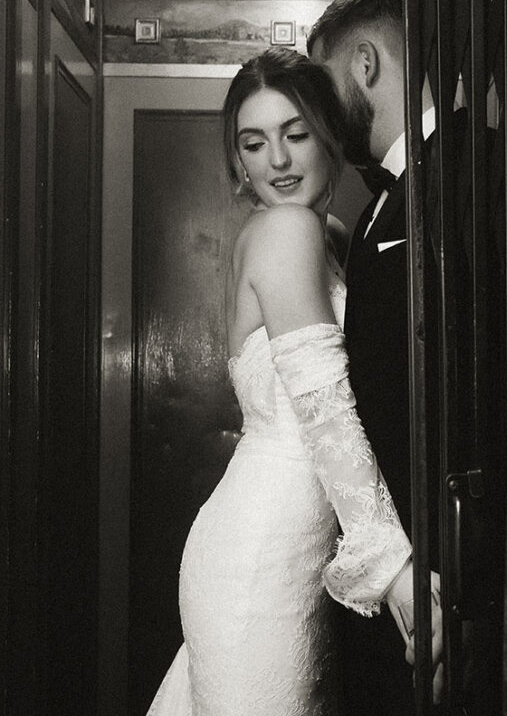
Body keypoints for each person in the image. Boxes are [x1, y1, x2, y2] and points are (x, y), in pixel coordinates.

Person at [145, 46, 430, 716]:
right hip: (262, 559)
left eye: (295, 134)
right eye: (254, 143)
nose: (277, 160)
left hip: (289, 553)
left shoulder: (326, 233)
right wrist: (394, 570)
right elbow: (325, 409)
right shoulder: (286, 229)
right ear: (238, 160)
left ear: (328, 134)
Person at [308, 0, 444, 716]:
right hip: (383, 565)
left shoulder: (466, 169)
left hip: (438, 566)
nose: (321, 118)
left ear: (364, 64)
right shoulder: (371, 210)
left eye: (324, 86)